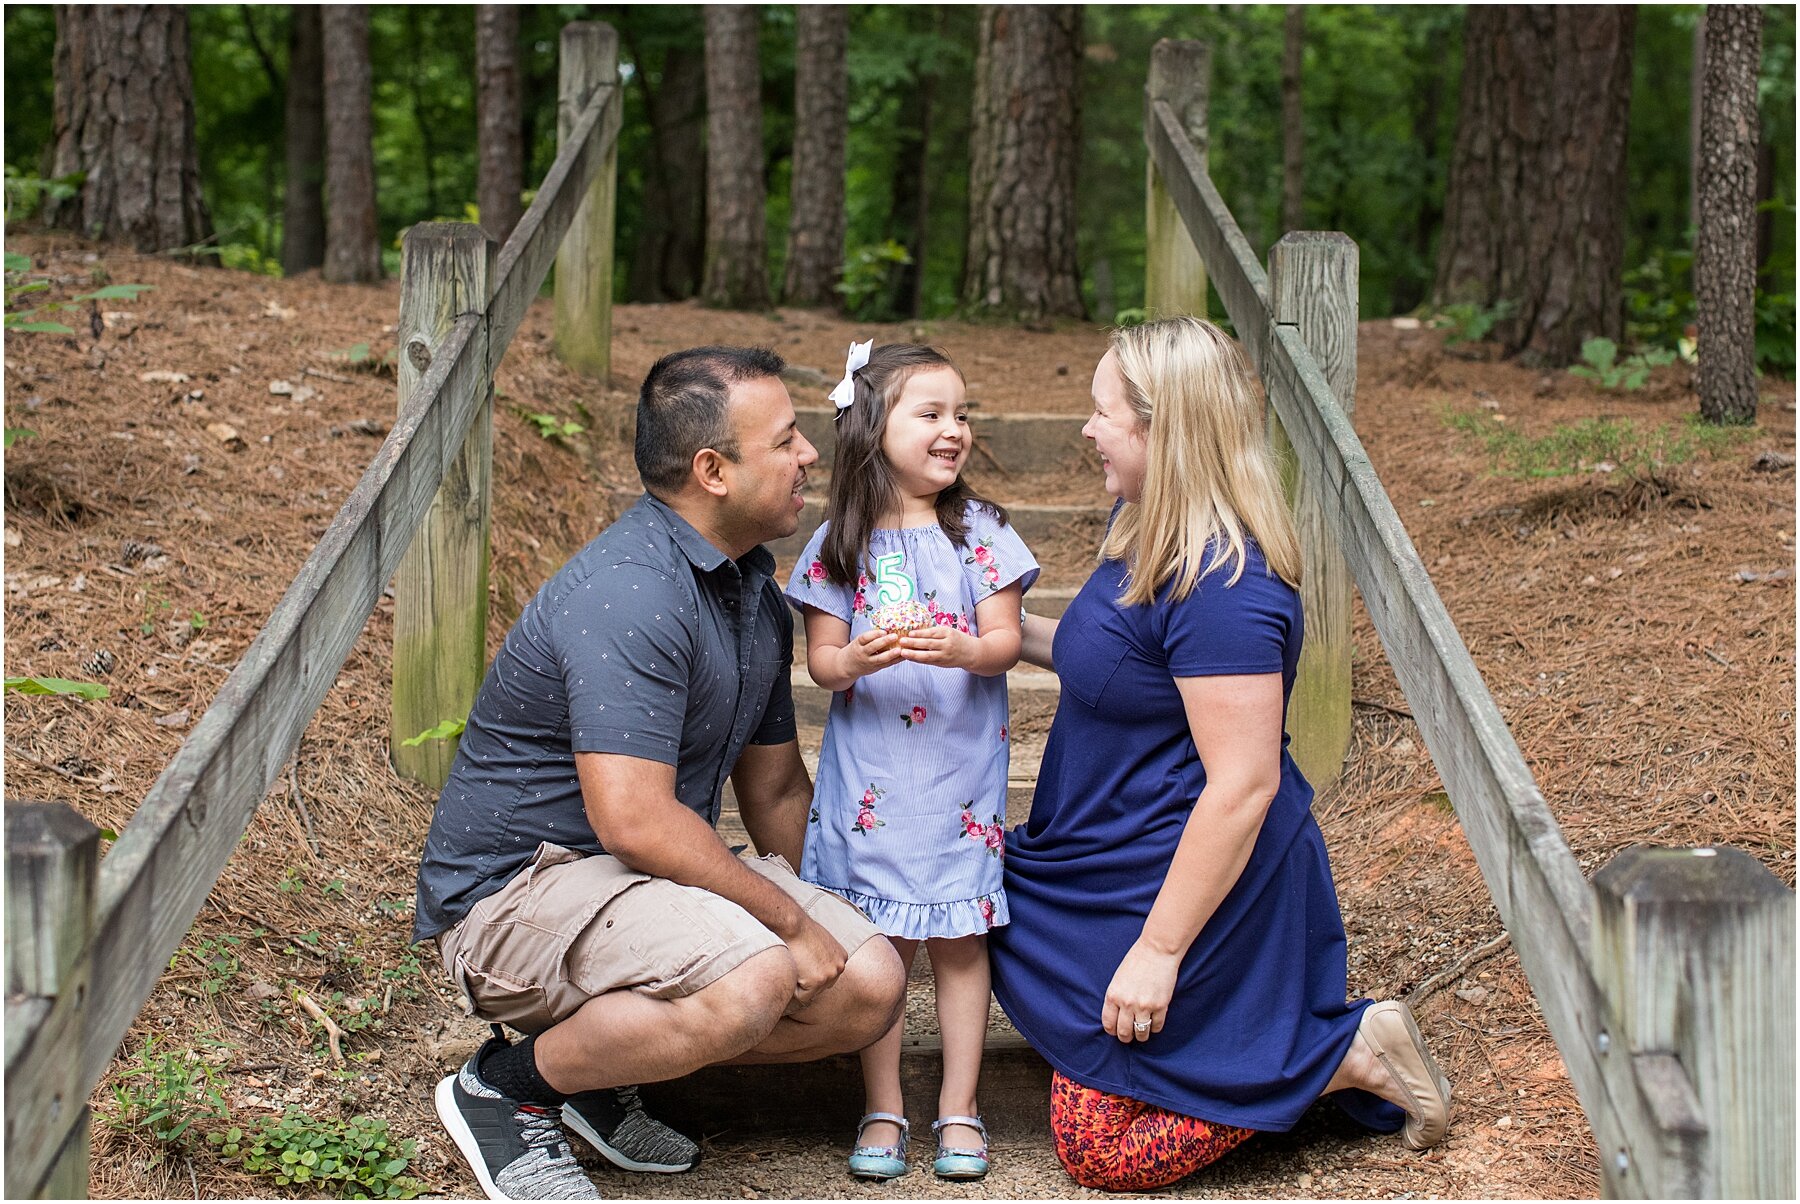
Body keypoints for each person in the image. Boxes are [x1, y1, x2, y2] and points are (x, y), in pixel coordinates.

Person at [413, 345, 907, 1201]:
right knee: (754, 975)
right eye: (785, 441)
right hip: (515, 895)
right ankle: (507, 1090)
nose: (809, 456)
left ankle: (596, 1074)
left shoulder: (753, 594)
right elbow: (635, 820)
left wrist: (845, 909)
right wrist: (791, 923)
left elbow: (775, 790)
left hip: (639, 882)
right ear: (713, 471)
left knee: (870, 984)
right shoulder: (632, 590)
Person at [988, 316, 1452, 1192]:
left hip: (1194, 880)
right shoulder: (1144, 527)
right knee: (957, 884)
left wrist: (1158, 952)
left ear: (1162, 427)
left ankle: (1345, 1054)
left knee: (1099, 1148)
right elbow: (1110, 664)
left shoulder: (1225, 586)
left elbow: (1243, 784)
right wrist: (976, 636)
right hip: (1104, 855)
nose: (1086, 429)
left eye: (1102, 412)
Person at [784, 342, 1038, 1182]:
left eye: (962, 414)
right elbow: (822, 664)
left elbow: (1004, 643)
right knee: (883, 942)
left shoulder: (981, 531)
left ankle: (960, 1107)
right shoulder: (839, 541)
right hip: (875, 780)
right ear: (871, 428)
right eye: (930, 413)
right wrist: (855, 659)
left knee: (961, 940)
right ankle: (883, 1106)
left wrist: (965, 648)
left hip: (958, 776)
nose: (953, 429)